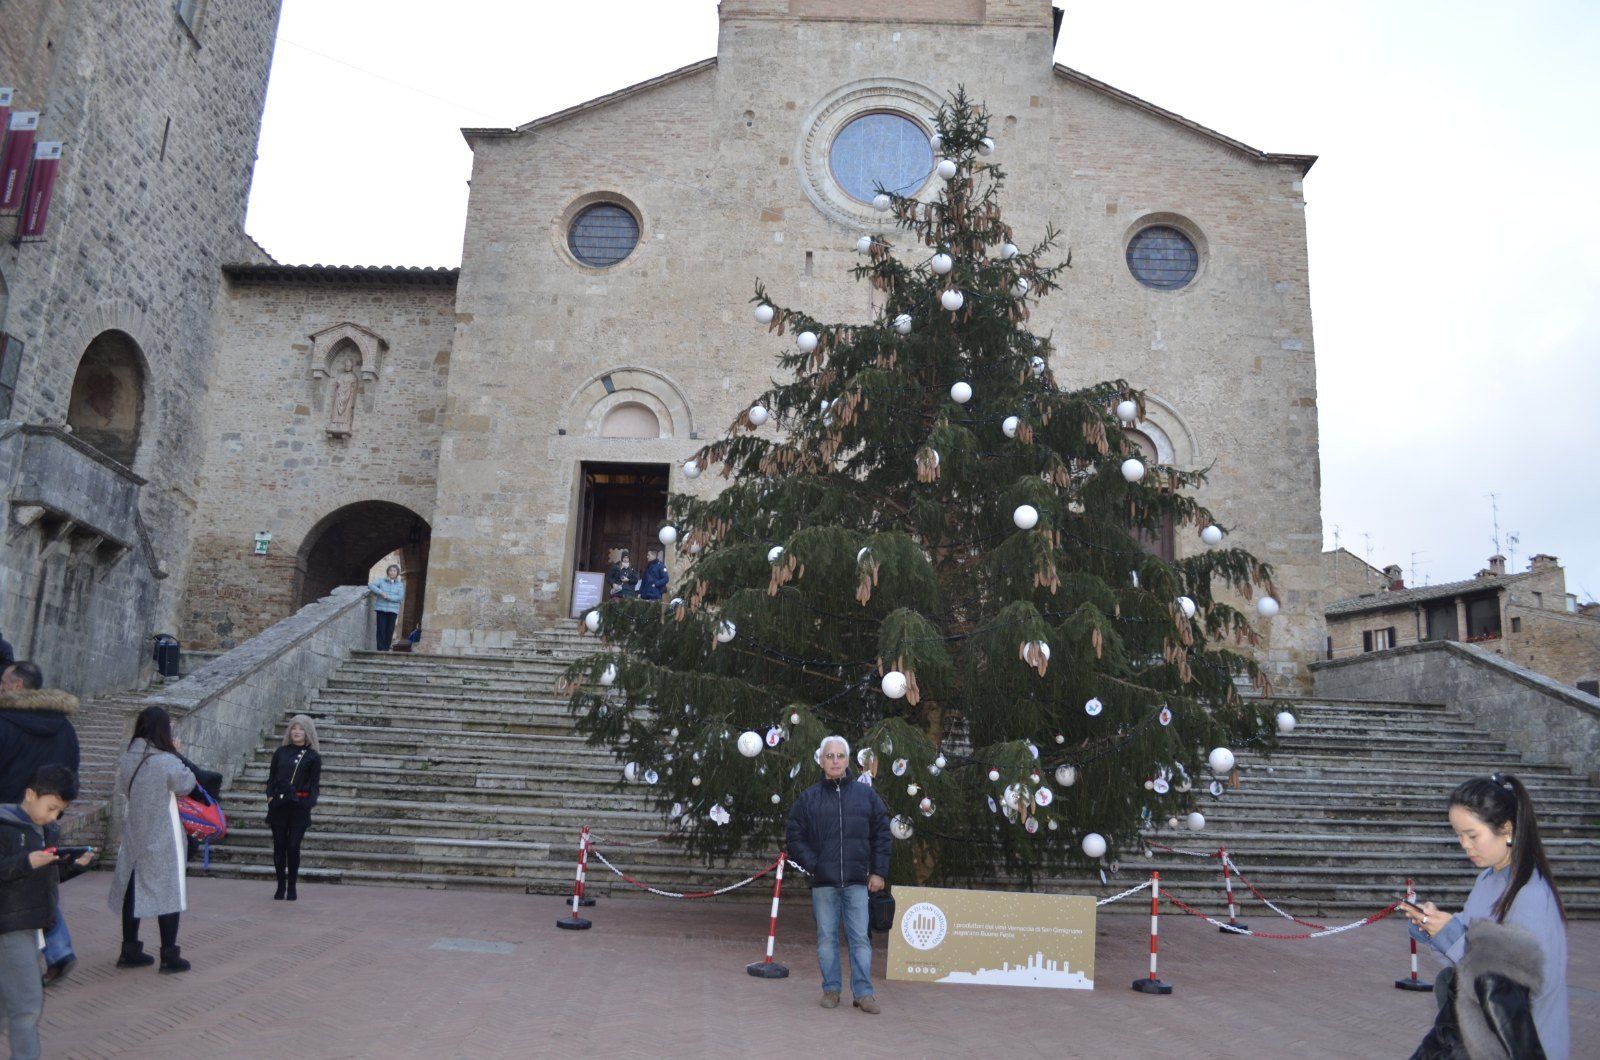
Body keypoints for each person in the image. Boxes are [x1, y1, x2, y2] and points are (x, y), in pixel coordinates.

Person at [1402, 773, 1569, 1059]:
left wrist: (1452, 936)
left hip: (1519, 1045)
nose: (1465, 845)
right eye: (1458, 835)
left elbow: (1512, 988)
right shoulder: (1487, 881)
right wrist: (1433, 930)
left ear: (1506, 830)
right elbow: (1461, 957)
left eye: (1472, 835)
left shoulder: (1531, 895)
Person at [784, 735, 891, 1014]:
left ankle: (864, 994)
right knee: (827, 940)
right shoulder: (808, 799)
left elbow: (882, 833)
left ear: (847, 761)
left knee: (860, 940)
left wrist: (879, 871)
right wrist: (815, 864)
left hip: (858, 882)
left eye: (839, 756)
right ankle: (831, 989)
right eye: (829, 756)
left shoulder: (866, 796)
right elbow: (794, 836)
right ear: (821, 761)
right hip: (824, 883)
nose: (834, 761)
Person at [0, 764, 94, 1060]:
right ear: (30, 795)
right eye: (51, 808)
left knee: (7, 1004)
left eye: (59, 812)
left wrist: (71, 867)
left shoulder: (46, 828)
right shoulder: (5, 826)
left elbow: (46, 879)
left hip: (33, 925)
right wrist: (27, 861)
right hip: (10, 926)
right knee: (27, 1004)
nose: (54, 817)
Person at [0, 661, 81, 985]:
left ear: (17, 686)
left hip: (6, 811)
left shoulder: (5, 721)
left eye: (3, 680)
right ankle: (58, 950)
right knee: (42, 880)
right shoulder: (64, 727)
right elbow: (72, 768)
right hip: (47, 812)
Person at [106, 706, 197, 974]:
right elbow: (187, 783)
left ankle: (129, 948)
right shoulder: (166, 761)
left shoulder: (128, 758)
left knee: (131, 888)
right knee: (168, 890)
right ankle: (169, 956)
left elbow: (125, 789)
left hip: (135, 830)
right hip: (163, 831)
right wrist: (177, 753)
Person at [265, 714, 321, 901]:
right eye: (294, 728)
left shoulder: (313, 756)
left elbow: (314, 784)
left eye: (301, 729)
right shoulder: (280, 752)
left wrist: (308, 802)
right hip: (279, 806)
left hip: (299, 807)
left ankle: (292, 886)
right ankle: (280, 886)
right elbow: (272, 777)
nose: (297, 732)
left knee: (293, 845)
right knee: (279, 846)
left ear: (308, 732)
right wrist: (270, 796)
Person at [368, 564, 404, 651]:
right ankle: (380, 649)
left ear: (397, 573)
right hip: (381, 609)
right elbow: (370, 585)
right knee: (381, 629)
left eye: (394, 571)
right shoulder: (381, 581)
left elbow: (400, 597)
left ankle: (386, 649)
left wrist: (388, 597)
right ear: (388, 572)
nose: (392, 572)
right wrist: (381, 592)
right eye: (390, 570)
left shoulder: (400, 584)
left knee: (390, 630)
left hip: (393, 610)